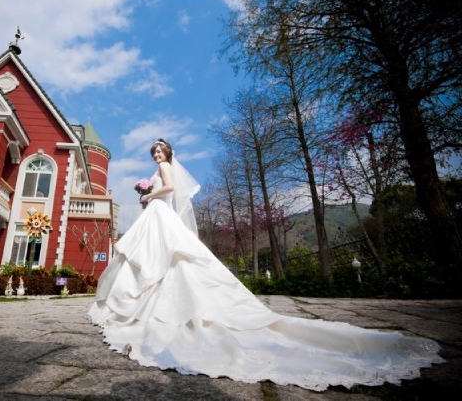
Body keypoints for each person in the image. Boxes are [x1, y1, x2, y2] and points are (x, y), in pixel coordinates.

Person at [87, 138, 444, 392]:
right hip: (159, 216)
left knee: (165, 258)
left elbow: (168, 190)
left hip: (160, 212)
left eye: (160, 150)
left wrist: (149, 194)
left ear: (168, 153)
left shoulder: (163, 169)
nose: (157, 154)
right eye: (154, 151)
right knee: (162, 258)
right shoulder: (161, 167)